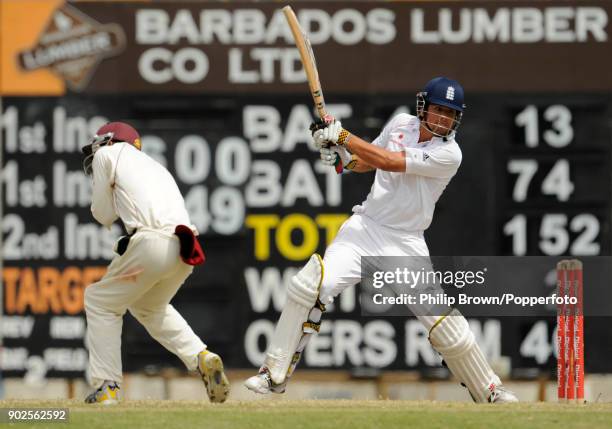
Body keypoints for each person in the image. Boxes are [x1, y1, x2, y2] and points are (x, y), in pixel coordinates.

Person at [245, 77, 518, 403]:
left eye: (450, 113)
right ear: (424, 107)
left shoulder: (450, 153)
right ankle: (272, 373)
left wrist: (343, 136)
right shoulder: (401, 123)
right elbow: (367, 161)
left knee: (445, 324)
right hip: (364, 229)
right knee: (311, 286)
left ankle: (490, 390)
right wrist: (340, 156)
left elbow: (390, 161)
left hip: (405, 242)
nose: (443, 118)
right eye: (439, 109)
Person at [81, 122, 229, 404]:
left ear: (109, 140)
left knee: (99, 301)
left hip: (153, 244)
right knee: (148, 306)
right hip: (184, 248)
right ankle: (201, 356)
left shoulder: (107, 155)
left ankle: (107, 386)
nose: (94, 153)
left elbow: (103, 214)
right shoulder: (156, 168)